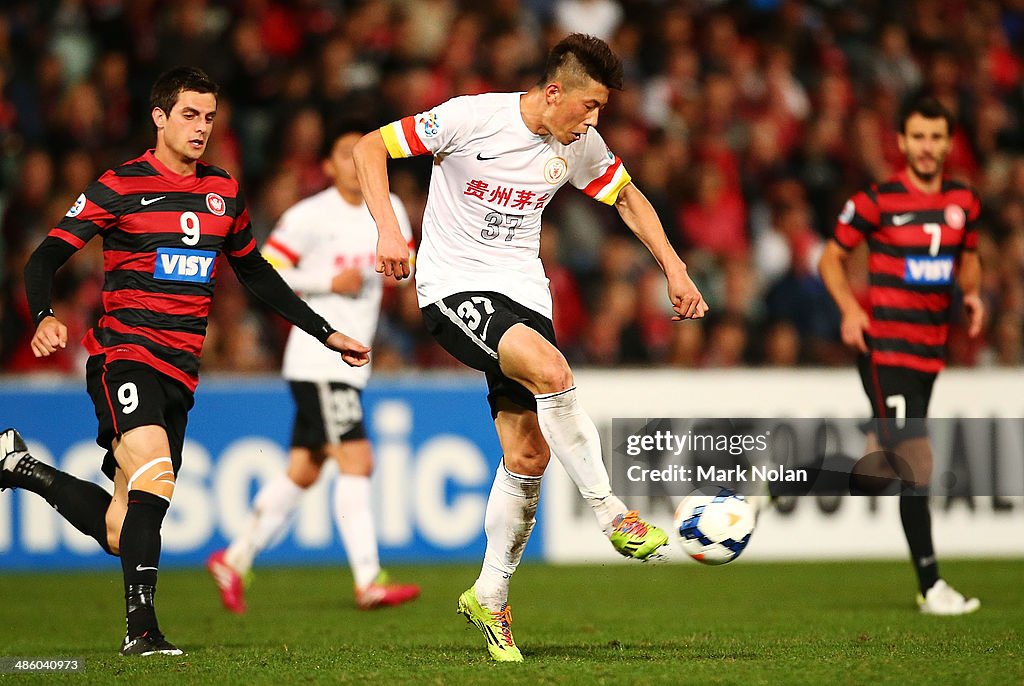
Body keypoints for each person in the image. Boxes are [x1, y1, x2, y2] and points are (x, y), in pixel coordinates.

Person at [353, 33, 708, 661]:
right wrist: (389, 226)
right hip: (453, 288)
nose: (595, 121)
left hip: (523, 297)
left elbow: (626, 196)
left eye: (602, 110)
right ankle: (610, 512)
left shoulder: (578, 145)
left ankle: (489, 597)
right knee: (553, 370)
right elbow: (369, 148)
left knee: (529, 453)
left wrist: (675, 270)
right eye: (590, 106)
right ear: (554, 92)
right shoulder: (472, 119)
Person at [0, 67, 371, 657]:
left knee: (124, 530)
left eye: (208, 118)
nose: (201, 128)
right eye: (190, 116)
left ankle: (22, 467)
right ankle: (141, 633)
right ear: (160, 118)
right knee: (157, 475)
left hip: (180, 372)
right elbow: (44, 255)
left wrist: (324, 331)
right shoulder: (119, 185)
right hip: (124, 356)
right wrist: (44, 313)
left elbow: (255, 273)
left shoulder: (223, 193)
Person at [206, 128, 419, 613]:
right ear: (327, 166)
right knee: (358, 461)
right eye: (344, 154)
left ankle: (234, 558)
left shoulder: (388, 211)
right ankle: (368, 579)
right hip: (319, 358)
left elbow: (404, 267)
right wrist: (326, 281)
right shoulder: (307, 216)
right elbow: (264, 270)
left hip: (352, 360)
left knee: (303, 470)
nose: (353, 162)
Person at [818, 95, 983, 616]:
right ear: (903, 142)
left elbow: (969, 258)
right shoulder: (878, 200)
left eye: (937, 137)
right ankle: (932, 585)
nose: (928, 147)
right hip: (885, 350)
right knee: (918, 463)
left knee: (877, 474)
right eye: (918, 137)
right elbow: (830, 257)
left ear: (949, 143)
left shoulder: (964, 201)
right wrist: (849, 308)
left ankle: (793, 478)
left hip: (929, 352)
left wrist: (973, 293)